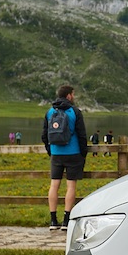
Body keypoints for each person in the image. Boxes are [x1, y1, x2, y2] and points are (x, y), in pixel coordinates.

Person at [42, 84, 87, 231]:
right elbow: (82, 135)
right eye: (73, 94)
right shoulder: (75, 112)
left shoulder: (50, 112)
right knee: (71, 186)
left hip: (56, 153)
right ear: (68, 95)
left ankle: (53, 220)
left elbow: (44, 135)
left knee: (54, 185)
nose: (74, 97)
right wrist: (83, 153)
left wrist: (50, 151)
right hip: (73, 153)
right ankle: (66, 221)